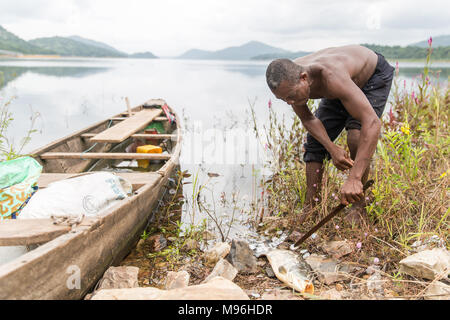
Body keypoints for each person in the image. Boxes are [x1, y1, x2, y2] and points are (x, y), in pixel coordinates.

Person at [265, 45, 394, 224]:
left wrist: (354, 178)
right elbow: (308, 119)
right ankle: (311, 207)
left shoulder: (331, 77)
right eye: (284, 99)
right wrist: (332, 148)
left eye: (291, 96)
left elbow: (372, 123)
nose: (290, 102)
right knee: (314, 144)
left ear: (304, 78)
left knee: (356, 136)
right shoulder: (291, 82)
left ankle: (359, 205)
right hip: (343, 85)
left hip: (372, 76)